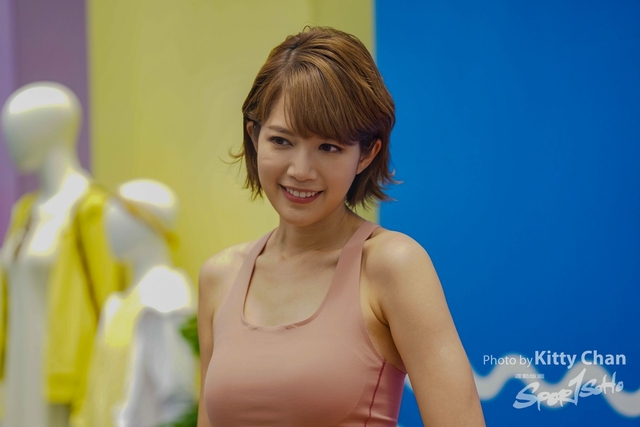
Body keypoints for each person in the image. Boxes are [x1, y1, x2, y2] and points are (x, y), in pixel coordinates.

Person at [197, 27, 485, 426]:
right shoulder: (219, 277)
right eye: (281, 141)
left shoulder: (392, 265)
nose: (301, 170)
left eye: (328, 147)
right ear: (254, 136)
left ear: (366, 154)